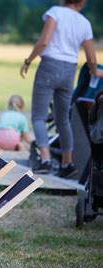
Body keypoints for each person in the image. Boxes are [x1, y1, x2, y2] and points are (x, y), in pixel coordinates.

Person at [20, 0, 103, 178]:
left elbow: (44, 41)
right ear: (82, 3)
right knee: (63, 119)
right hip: (69, 70)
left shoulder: (55, 12)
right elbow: (91, 57)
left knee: (39, 116)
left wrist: (28, 60)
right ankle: (67, 163)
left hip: (50, 66)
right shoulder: (84, 22)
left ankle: (45, 160)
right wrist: (95, 71)